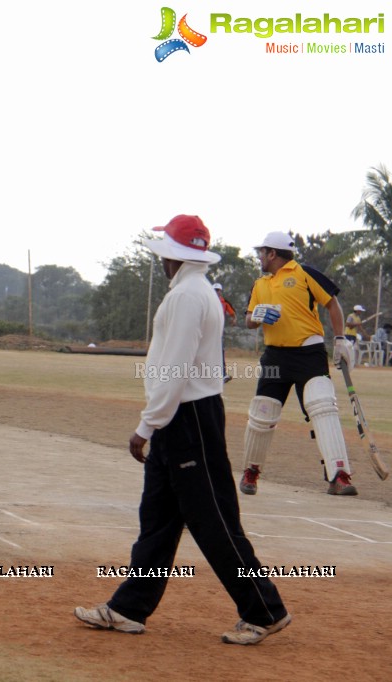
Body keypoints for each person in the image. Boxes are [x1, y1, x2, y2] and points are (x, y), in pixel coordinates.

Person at [74, 214, 290, 646]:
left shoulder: (188, 297)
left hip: (187, 418)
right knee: (157, 520)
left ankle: (264, 611)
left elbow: (174, 369)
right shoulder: (197, 291)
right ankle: (128, 609)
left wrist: (145, 426)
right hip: (186, 416)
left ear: (172, 255)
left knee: (214, 523)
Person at [239, 231, 357, 496]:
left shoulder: (304, 273)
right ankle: (251, 473)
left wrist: (339, 340)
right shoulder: (260, 284)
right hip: (275, 356)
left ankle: (338, 475)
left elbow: (332, 303)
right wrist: (256, 316)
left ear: (273, 253)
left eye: (262, 252)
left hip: (309, 352)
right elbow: (249, 320)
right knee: (262, 413)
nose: (259, 256)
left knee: (324, 410)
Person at [213, 282, 236, 382]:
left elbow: (232, 313)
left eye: (218, 290)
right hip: (207, 331)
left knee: (220, 352)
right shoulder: (208, 300)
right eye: (215, 290)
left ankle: (222, 374)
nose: (217, 292)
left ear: (221, 291)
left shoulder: (224, 302)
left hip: (218, 331)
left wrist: (234, 319)